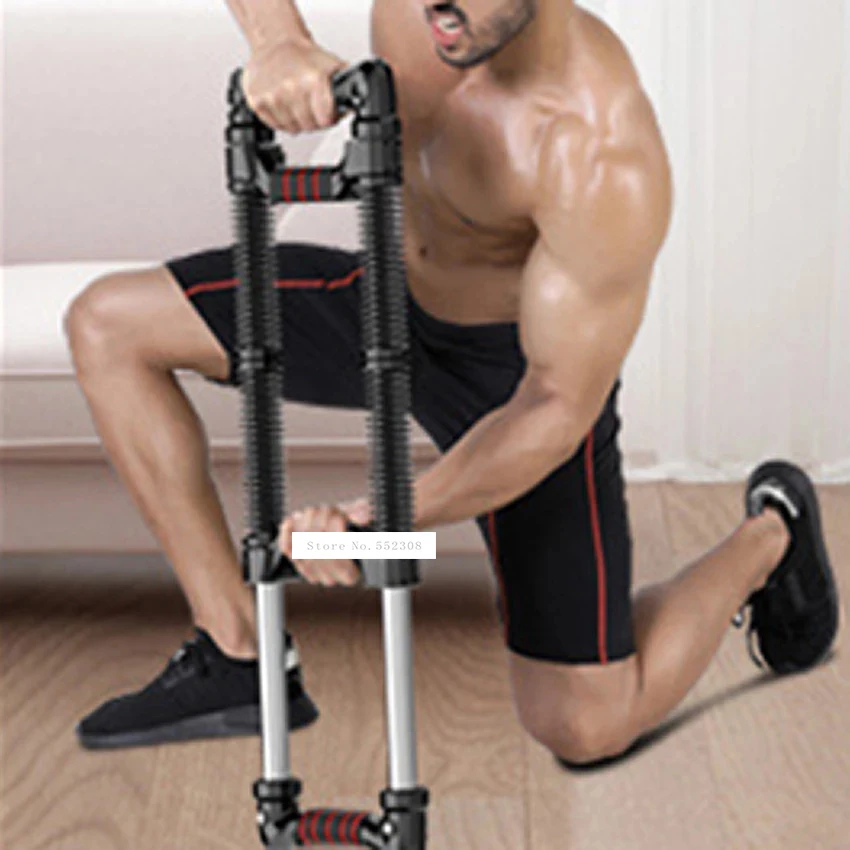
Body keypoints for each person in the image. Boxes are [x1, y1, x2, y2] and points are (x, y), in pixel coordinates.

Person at [66, 0, 839, 762]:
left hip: (520, 382)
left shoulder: (598, 148)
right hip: (389, 305)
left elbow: (556, 405)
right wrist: (279, 40)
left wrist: (376, 523)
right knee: (108, 326)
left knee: (584, 724)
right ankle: (240, 657)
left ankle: (771, 538)